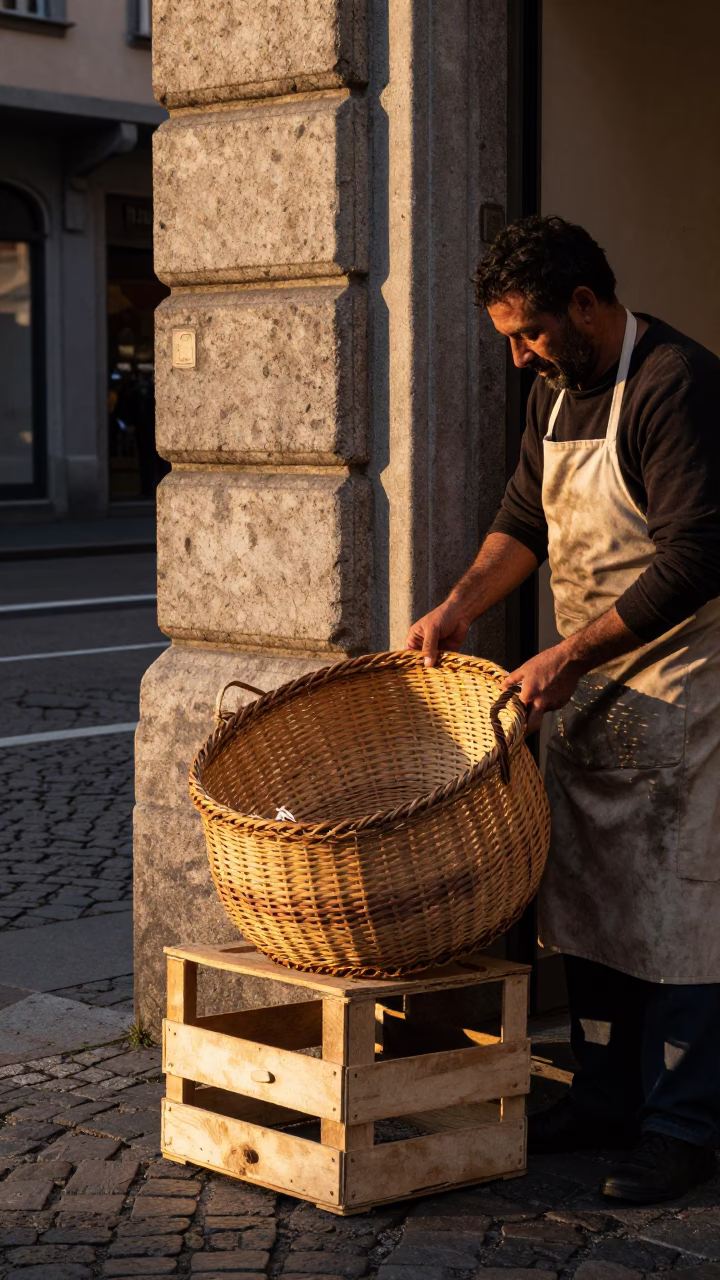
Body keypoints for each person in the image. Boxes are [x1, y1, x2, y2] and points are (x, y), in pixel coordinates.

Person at [405, 215, 720, 1203]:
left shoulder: (675, 383)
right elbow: (523, 520)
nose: (518, 356)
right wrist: (458, 606)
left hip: (687, 694)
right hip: (589, 695)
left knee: (687, 911)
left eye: (530, 332)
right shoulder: (551, 394)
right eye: (509, 337)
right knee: (590, 902)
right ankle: (604, 1097)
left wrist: (569, 654)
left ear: (586, 304)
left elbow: (698, 554)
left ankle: (683, 1125)